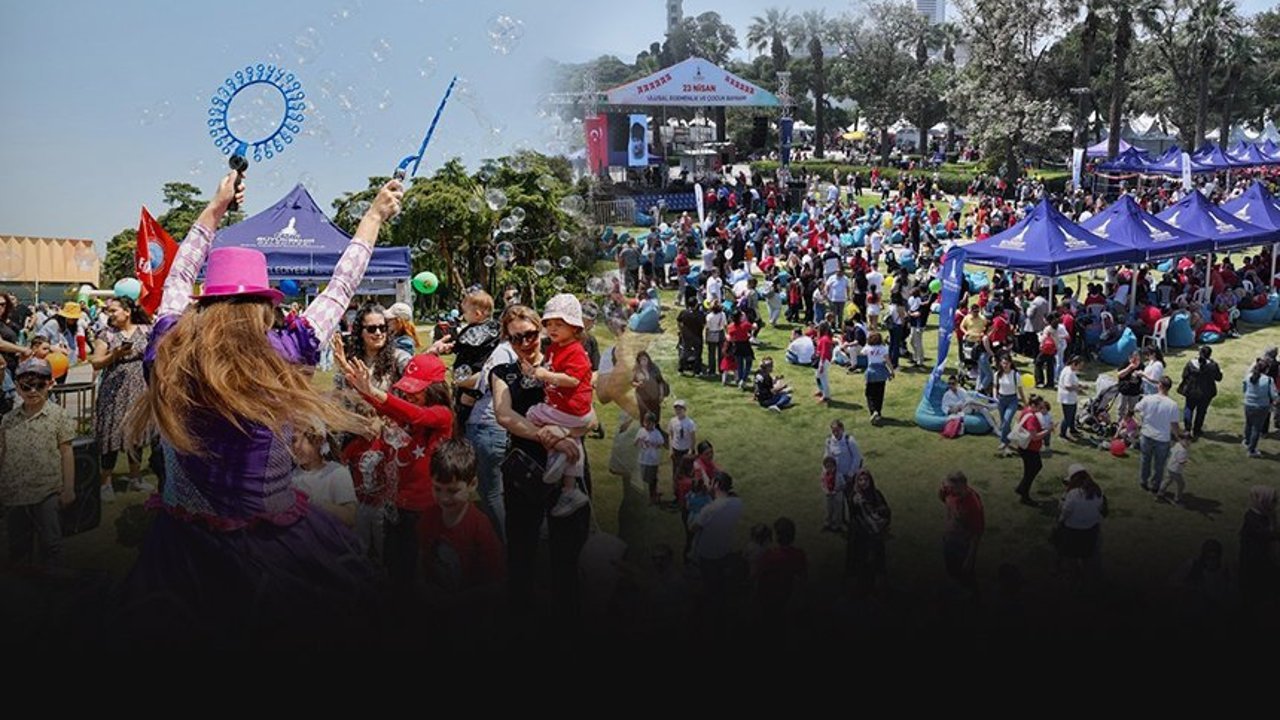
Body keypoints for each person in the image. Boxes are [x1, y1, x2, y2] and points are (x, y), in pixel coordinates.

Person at [119, 172, 394, 647]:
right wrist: (373, 217)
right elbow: (341, 287)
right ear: (264, 306)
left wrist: (215, 208)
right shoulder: (288, 350)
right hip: (273, 547)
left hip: (181, 552)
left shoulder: (168, 350)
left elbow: (178, 277)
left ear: (207, 304)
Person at [490, 306, 592, 621]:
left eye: (531, 334)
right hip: (526, 469)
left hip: (569, 467)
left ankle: (568, 618)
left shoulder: (566, 360)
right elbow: (504, 415)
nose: (525, 342)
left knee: (569, 548)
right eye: (516, 337)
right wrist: (549, 437)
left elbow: (591, 418)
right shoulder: (503, 372)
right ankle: (522, 619)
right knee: (522, 548)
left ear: (541, 329)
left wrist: (564, 434)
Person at [338, 346, 455, 592]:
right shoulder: (408, 412)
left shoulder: (442, 415)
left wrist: (372, 390)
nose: (409, 395)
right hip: (397, 504)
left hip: (425, 509)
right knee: (395, 566)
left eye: (416, 390)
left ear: (434, 389)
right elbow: (387, 408)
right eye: (407, 389)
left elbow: (415, 416)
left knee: (421, 571)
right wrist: (358, 383)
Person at [522, 294, 597, 519]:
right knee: (574, 444)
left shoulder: (575, 350)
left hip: (572, 409)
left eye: (559, 324)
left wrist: (546, 375)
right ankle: (570, 489)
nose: (552, 329)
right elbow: (547, 367)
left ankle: (555, 452)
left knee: (533, 414)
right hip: (569, 411)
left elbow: (572, 380)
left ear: (575, 327)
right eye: (549, 324)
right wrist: (535, 370)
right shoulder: (556, 347)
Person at [0, 358, 75, 568]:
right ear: (17, 387)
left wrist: (69, 488)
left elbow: (67, 453)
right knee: (17, 544)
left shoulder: (59, 416)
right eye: (26, 386)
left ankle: (52, 579)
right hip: (14, 492)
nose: (33, 391)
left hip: (46, 491)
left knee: (51, 542)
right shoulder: (8, 419)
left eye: (39, 385)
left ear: (50, 384)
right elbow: (3, 452)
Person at [416, 438, 505, 599]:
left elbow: (495, 582)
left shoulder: (479, 526)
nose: (444, 498)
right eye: (438, 489)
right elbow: (422, 560)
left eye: (453, 491)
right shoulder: (429, 516)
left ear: (472, 484)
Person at [89, 296, 154, 502]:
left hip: (139, 389)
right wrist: (114, 355)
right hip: (113, 392)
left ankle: (135, 478)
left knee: (137, 433)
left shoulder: (146, 331)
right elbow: (96, 363)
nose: (110, 314)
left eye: (114, 310)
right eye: (108, 311)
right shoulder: (106, 334)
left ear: (127, 311)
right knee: (111, 434)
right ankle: (105, 483)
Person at [290, 425, 357, 527]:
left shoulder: (337, 473)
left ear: (317, 442)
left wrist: (313, 502)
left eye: (294, 440)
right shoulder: (291, 476)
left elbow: (350, 517)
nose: (291, 447)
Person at [1054, 463, 1106, 580]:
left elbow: (1065, 512)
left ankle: (1074, 577)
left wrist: (1059, 522)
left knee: (1070, 556)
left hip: (1072, 530)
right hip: (1091, 530)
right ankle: (1087, 578)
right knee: (1087, 557)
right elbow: (1101, 510)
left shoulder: (1073, 494)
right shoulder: (1097, 490)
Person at [1135, 376, 1183, 494]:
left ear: (1159, 385)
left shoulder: (1148, 399)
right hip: (1162, 439)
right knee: (1159, 464)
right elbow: (1174, 425)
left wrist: (1141, 420)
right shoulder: (1172, 405)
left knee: (1145, 460)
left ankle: (1143, 481)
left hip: (1146, 434)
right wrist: (1179, 438)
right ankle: (1155, 485)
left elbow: (1136, 409)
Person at [845, 468, 890, 591]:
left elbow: (885, 510)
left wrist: (877, 513)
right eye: (860, 480)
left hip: (875, 535)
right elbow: (853, 515)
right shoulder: (854, 497)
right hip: (859, 536)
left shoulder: (876, 494)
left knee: (875, 560)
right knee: (860, 561)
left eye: (866, 479)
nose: (863, 482)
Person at [939, 471, 984, 594]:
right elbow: (944, 498)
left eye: (952, 488)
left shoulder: (973, 505)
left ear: (963, 486)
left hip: (962, 544)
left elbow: (977, 534)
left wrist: (970, 558)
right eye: (948, 487)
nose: (949, 490)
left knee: (966, 577)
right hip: (949, 539)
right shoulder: (949, 491)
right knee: (951, 571)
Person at [1238, 485, 1279, 617]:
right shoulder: (1252, 517)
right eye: (1273, 500)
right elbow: (1267, 535)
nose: (1276, 504)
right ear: (1263, 500)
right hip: (1253, 562)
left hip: (1263, 559)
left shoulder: (1266, 515)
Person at [1013, 395, 1051, 505]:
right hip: (1030, 449)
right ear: (1033, 405)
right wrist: (1048, 430)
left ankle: (1021, 488)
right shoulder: (1032, 418)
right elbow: (1035, 437)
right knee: (1033, 470)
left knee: (1029, 470)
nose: (1041, 410)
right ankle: (1024, 495)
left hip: (1024, 447)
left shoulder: (1026, 411)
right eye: (1040, 407)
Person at [1178, 345, 1222, 439]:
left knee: (1189, 409)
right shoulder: (1213, 365)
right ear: (1209, 355)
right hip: (1206, 393)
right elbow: (1218, 378)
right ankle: (1197, 430)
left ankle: (1187, 429)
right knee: (1201, 411)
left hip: (1191, 391)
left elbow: (1184, 375)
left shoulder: (1191, 363)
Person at [1242, 357, 1277, 459]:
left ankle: (1247, 441)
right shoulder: (1268, 380)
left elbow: (1244, 388)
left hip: (1248, 404)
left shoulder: (1248, 376)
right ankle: (1251, 450)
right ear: (1266, 370)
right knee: (1256, 428)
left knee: (1248, 424)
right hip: (1262, 406)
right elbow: (1273, 395)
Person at [861, 331, 894, 425]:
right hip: (881, 372)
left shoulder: (868, 348)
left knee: (869, 394)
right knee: (880, 394)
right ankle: (878, 412)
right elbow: (887, 360)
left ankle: (873, 411)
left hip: (871, 372)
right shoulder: (884, 348)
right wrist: (891, 371)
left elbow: (861, 353)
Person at [994, 353, 1025, 451]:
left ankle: (1004, 442)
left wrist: (1025, 402)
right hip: (1001, 400)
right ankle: (1010, 440)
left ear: (1010, 363)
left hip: (1012, 400)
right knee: (1004, 423)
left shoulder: (1015, 375)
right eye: (1003, 363)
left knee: (1006, 421)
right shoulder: (997, 374)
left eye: (1006, 363)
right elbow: (995, 386)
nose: (1005, 365)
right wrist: (995, 396)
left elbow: (1020, 390)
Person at [667, 399, 696, 500]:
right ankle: (677, 495)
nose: (678, 411)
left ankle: (688, 494)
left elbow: (693, 438)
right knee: (676, 473)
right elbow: (671, 435)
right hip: (676, 450)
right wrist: (671, 449)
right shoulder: (673, 421)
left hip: (686, 450)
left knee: (687, 472)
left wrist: (691, 450)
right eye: (676, 409)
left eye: (680, 409)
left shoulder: (690, 423)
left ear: (685, 410)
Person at [634, 412, 666, 505]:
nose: (648, 425)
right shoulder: (641, 431)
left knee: (652, 479)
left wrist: (653, 444)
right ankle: (652, 493)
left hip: (652, 460)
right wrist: (639, 440)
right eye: (646, 423)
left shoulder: (656, 433)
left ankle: (653, 496)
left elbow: (661, 443)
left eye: (650, 423)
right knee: (644, 477)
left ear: (654, 424)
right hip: (643, 459)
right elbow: (635, 443)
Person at [1158, 434, 1192, 506]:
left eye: (1189, 441)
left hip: (1170, 466)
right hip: (1176, 470)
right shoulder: (1183, 451)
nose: (1188, 442)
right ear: (1181, 440)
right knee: (1181, 484)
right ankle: (1177, 499)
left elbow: (1171, 450)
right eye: (1186, 441)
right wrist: (1187, 461)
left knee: (1167, 480)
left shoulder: (1177, 444)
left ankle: (1160, 494)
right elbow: (1181, 461)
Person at [1057, 355, 1084, 440]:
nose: (1081, 367)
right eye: (1080, 365)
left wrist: (1079, 385)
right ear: (1074, 364)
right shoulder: (1069, 372)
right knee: (1067, 417)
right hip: (1067, 399)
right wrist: (1079, 388)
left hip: (1071, 398)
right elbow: (1067, 386)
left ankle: (1073, 430)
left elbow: (1072, 383)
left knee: (1072, 415)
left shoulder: (1070, 370)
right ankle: (1062, 433)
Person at [820, 456, 842, 533]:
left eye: (831, 466)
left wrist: (836, 490)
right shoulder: (824, 475)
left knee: (837, 510)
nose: (829, 468)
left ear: (835, 466)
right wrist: (826, 491)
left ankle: (836, 525)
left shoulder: (839, 475)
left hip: (837, 495)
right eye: (827, 467)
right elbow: (823, 484)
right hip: (828, 495)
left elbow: (843, 485)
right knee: (828, 510)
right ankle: (827, 523)